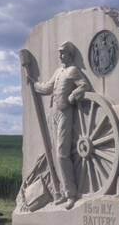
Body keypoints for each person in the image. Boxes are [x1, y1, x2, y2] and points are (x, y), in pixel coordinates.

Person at [28, 41, 90, 209]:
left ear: (70, 55)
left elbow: (85, 86)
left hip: (65, 113)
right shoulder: (58, 72)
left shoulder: (73, 71)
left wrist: (73, 95)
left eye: (63, 53)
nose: (61, 56)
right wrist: (34, 84)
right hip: (53, 114)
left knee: (62, 154)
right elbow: (48, 88)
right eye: (60, 53)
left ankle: (71, 194)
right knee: (56, 155)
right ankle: (63, 192)